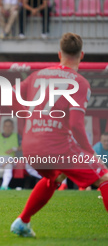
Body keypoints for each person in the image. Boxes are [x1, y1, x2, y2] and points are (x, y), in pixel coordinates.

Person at [10, 33, 108, 237]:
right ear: (82, 55)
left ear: (59, 54)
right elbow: (76, 125)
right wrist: (91, 153)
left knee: (55, 178)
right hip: (55, 145)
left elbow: (11, 93)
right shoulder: (80, 82)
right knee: (104, 177)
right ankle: (22, 221)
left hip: (30, 144)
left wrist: (29, 117)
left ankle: (22, 222)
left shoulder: (38, 75)